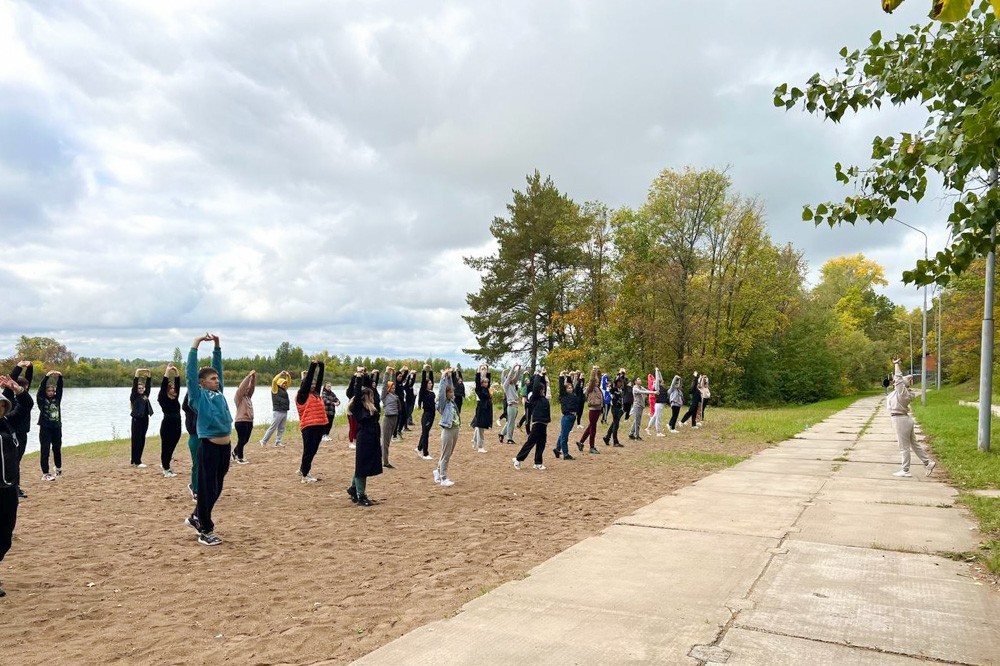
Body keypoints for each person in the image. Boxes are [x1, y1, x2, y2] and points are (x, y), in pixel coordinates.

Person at [184, 333, 233, 547]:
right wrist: (195, 345)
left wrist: (217, 346)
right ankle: (204, 529)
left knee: (216, 489)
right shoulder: (198, 395)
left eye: (217, 378)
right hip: (209, 446)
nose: (217, 380)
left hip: (225, 446)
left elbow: (218, 367)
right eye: (212, 379)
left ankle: (197, 516)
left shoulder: (219, 393)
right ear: (201, 383)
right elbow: (190, 373)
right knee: (206, 489)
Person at [0, 377, 26, 597]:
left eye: (1, 405)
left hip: (8, 490)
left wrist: (16, 389)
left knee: (5, 537)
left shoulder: (8, 423)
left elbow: (26, 405)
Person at [888, 358, 936, 478]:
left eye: (896, 383)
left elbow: (898, 379)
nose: (894, 383)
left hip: (900, 420)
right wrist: (908, 377)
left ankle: (905, 470)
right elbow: (899, 381)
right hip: (904, 419)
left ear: (902, 386)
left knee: (903, 447)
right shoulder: (899, 393)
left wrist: (897, 365)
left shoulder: (902, 393)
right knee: (914, 444)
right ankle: (927, 462)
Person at [347, 382, 382, 506]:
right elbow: (357, 394)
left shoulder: (372, 407)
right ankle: (361, 496)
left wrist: (368, 378)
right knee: (362, 467)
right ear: (366, 396)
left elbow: (376, 393)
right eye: (371, 395)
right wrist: (358, 377)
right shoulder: (358, 407)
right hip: (364, 439)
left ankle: (353, 488)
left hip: (373, 438)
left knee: (364, 466)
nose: (373, 397)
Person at [295, 361, 328, 483]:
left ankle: (303, 469)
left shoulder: (315, 394)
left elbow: (319, 380)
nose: (313, 385)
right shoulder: (302, 395)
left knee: (313, 450)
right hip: (308, 426)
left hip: (319, 425)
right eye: (311, 384)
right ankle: (305, 475)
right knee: (309, 450)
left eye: (314, 384)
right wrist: (313, 366)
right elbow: (308, 381)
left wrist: (322, 366)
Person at [514, 371, 550, 470]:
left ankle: (538, 463)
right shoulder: (535, 398)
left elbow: (544, 387)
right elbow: (535, 387)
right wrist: (538, 375)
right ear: (538, 390)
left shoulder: (544, 398)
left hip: (544, 424)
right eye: (541, 389)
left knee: (541, 443)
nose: (543, 390)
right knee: (531, 442)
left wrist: (543, 376)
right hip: (537, 423)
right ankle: (518, 459)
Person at [8, 362, 34, 498]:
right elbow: (11, 380)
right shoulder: (9, 398)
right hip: (12, 434)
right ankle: (14, 487)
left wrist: (30, 367)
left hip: (23, 434)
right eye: (23, 386)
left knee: (17, 461)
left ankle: (16, 486)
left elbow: (29, 378)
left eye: (26, 387)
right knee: (13, 461)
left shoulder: (24, 398)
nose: (26, 388)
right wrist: (18, 367)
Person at [434, 368, 460, 486]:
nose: (452, 394)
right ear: (446, 394)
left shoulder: (452, 402)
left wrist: (449, 376)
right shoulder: (443, 404)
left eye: (452, 392)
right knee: (445, 454)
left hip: (455, 429)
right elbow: (441, 391)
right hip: (448, 430)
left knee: (448, 453)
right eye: (450, 393)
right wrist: (443, 377)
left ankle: (438, 471)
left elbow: (450, 386)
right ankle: (443, 478)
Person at [36, 370, 64, 481]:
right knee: (45, 450)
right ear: (46, 392)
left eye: (53, 390)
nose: (51, 392)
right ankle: (46, 474)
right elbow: (40, 389)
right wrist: (46, 376)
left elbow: (60, 388)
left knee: (57, 449)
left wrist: (60, 377)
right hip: (45, 428)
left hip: (57, 427)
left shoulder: (57, 399)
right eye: (49, 391)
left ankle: (58, 469)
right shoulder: (41, 401)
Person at [157, 364, 182, 477]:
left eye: (174, 388)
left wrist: (176, 373)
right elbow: (163, 387)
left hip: (177, 425)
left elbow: (178, 385)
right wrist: (167, 372)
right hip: (167, 425)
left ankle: (166, 464)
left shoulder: (175, 398)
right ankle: (166, 469)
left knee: (172, 447)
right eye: (171, 388)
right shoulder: (163, 398)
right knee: (166, 447)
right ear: (167, 390)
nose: (174, 389)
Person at [260, 370, 291, 448]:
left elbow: (289, 382)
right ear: (279, 383)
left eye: (285, 383)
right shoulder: (275, 389)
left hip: (284, 411)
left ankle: (278, 442)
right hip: (278, 411)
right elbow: (274, 381)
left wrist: (288, 375)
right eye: (283, 383)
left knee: (281, 428)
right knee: (273, 427)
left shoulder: (285, 389)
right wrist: (280, 374)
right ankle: (263, 441)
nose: (285, 384)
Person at [576, 367, 604, 454]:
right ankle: (591, 447)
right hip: (593, 409)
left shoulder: (597, 388)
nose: (597, 382)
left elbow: (599, 379)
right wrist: (593, 371)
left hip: (597, 409)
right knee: (593, 428)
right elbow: (592, 379)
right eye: (596, 381)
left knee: (590, 427)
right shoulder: (591, 388)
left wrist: (599, 373)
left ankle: (581, 442)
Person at [129, 368, 154, 468]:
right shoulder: (134, 396)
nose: (140, 390)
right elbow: (134, 386)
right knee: (136, 440)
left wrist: (149, 375)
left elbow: (148, 387)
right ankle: (137, 461)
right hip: (136, 420)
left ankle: (135, 459)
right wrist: (137, 373)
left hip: (145, 419)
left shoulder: (145, 395)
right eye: (139, 388)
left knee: (142, 439)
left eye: (142, 388)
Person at [232, 370, 256, 465]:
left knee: (245, 440)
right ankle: (240, 458)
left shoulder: (248, 397)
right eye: (246, 388)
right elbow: (242, 388)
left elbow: (252, 388)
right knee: (241, 439)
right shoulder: (238, 397)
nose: (247, 389)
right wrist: (248, 376)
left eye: (248, 388)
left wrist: (253, 378)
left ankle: (234, 452)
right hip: (240, 421)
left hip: (249, 421)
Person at [553, 372, 578, 460]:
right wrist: (561, 376)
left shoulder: (573, 395)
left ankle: (557, 449)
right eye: (568, 388)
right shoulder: (564, 395)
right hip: (567, 417)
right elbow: (561, 387)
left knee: (563, 434)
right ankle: (566, 454)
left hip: (572, 417)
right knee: (564, 436)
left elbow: (572, 384)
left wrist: (568, 376)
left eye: (571, 387)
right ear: (565, 389)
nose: (570, 389)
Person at [380, 367, 402, 468]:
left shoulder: (394, 395)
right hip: (388, 419)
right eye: (392, 388)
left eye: (394, 388)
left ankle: (382, 459)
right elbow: (385, 384)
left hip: (395, 418)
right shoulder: (385, 396)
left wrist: (394, 373)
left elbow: (393, 383)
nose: (393, 389)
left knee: (387, 441)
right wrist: (387, 373)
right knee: (385, 441)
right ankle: (385, 462)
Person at [470, 365, 492, 453]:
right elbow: (477, 381)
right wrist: (479, 370)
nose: (487, 383)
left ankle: (474, 441)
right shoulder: (479, 389)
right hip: (481, 409)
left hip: (486, 409)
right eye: (485, 382)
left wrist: (487, 369)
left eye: (487, 382)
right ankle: (480, 447)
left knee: (479, 427)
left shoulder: (487, 389)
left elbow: (488, 379)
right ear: (482, 383)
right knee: (480, 428)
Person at [415, 365, 436, 460]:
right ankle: (425, 453)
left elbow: (431, 379)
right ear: (425, 384)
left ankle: (419, 448)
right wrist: (424, 369)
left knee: (425, 432)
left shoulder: (431, 391)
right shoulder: (423, 391)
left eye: (431, 383)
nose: (430, 384)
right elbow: (424, 380)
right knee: (425, 433)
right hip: (427, 415)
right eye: (429, 383)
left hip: (432, 414)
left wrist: (430, 370)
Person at [499, 363, 522, 445]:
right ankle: (509, 438)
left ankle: (501, 434)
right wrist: (513, 367)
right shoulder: (506, 385)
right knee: (511, 423)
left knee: (510, 422)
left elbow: (517, 376)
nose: (512, 379)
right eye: (510, 378)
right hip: (511, 406)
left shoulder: (513, 385)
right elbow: (509, 376)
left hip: (515, 407)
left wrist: (519, 369)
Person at [182, 392, 199, 501]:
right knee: (197, 463)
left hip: (208, 434)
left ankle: (201, 487)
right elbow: (185, 406)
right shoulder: (189, 404)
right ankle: (196, 489)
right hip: (195, 435)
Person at [628, 377, 654, 441]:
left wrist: (654, 392)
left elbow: (646, 391)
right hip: (637, 406)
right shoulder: (635, 388)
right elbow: (641, 392)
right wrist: (654, 392)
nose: (640, 380)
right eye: (638, 379)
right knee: (638, 422)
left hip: (641, 406)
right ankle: (637, 436)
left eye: (640, 379)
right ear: (635, 382)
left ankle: (631, 434)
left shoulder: (641, 387)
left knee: (636, 420)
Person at [602, 374, 625, 447]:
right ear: (616, 382)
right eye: (619, 382)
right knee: (616, 425)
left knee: (614, 424)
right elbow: (611, 396)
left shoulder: (620, 389)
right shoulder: (613, 389)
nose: (621, 383)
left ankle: (607, 437)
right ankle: (615, 442)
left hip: (619, 408)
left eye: (621, 382)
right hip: (614, 408)